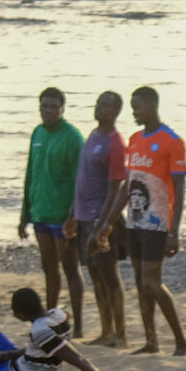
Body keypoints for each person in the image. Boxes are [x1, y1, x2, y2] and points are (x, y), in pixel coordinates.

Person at [111, 85, 186, 356]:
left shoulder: (172, 141)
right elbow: (127, 185)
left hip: (157, 222)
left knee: (151, 281)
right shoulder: (134, 139)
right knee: (140, 281)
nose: (134, 112)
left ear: (153, 106)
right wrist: (109, 220)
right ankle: (151, 341)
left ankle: (181, 341)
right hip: (135, 221)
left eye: (139, 107)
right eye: (133, 107)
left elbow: (179, 188)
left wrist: (174, 231)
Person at [63, 90, 130, 348]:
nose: (98, 107)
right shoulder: (92, 135)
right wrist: (72, 214)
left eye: (104, 105)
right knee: (96, 276)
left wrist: (104, 225)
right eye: (98, 103)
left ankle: (120, 334)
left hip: (99, 217)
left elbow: (115, 189)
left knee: (109, 275)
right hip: (83, 216)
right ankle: (106, 331)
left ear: (114, 111)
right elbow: (83, 178)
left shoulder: (115, 142)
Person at [18, 86, 86, 320]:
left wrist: (73, 216)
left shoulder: (72, 137)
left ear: (62, 109)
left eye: (53, 107)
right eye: (44, 106)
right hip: (40, 213)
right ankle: (50, 316)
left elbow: (82, 180)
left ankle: (77, 323)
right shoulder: (37, 133)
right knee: (48, 267)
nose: (48, 111)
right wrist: (24, 215)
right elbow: (30, 175)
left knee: (70, 269)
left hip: (63, 216)